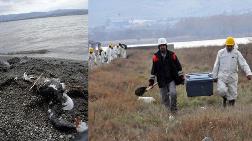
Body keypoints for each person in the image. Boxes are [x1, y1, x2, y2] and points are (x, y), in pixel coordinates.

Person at [212, 36, 252, 107]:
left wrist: (248, 73)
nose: (229, 47)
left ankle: (231, 110)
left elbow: (243, 64)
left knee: (233, 95)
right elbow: (216, 65)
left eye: (230, 46)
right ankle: (225, 98)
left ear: (233, 45)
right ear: (226, 45)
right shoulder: (220, 53)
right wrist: (214, 76)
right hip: (222, 76)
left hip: (232, 77)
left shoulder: (237, 53)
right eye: (228, 46)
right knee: (222, 90)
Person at [149, 38, 184, 113]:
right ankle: (168, 112)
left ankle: (174, 110)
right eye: (161, 45)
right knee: (165, 98)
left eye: (163, 45)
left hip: (171, 79)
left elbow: (179, 67)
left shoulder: (172, 55)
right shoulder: (155, 57)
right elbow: (153, 70)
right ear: (159, 46)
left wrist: (181, 78)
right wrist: (151, 81)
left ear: (166, 46)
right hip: (161, 80)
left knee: (173, 93)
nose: (162, 47)